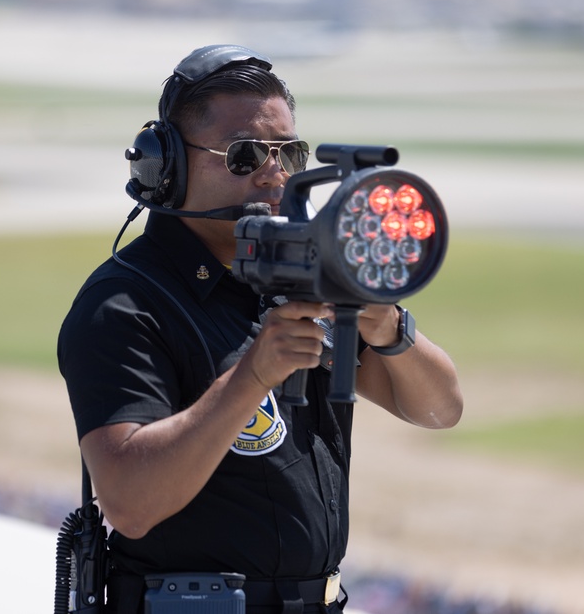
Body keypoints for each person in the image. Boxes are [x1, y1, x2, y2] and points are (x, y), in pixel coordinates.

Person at [57, 44, 462, 614]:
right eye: (245, 155)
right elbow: (129, 502)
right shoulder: (124, 304)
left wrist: (384, 321)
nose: (273, 174)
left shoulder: (295, 275)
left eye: (286, 152)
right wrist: (254, 373)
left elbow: (439, 408)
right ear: (166, 165)